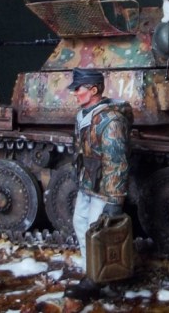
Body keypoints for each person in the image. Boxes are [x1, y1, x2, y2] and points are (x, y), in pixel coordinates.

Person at [64, 67, 133, 302]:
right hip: (88, 182)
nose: (75, 93)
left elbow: (116, 162)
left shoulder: (110, 120)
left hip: (104, 187)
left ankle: (99, 281)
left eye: (79, 89)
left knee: (98, 232)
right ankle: (92, 272)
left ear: (93, 90)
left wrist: (114, 200)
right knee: (81, 223)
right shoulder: (85, 115)